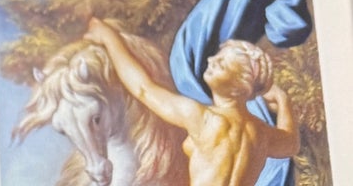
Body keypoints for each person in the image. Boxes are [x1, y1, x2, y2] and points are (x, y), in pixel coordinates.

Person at [86, 16, 298, 186]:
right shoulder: (261, 132)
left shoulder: (203, 118)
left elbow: (143, 89)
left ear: (238, 87)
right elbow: (291, 144)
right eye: (217, 57)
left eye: (221, 64)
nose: (210, 60)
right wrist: (283, 101)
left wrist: (109, 38)